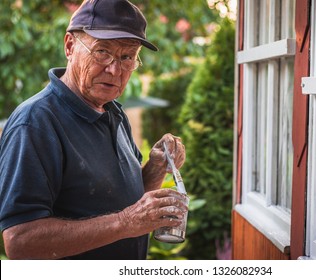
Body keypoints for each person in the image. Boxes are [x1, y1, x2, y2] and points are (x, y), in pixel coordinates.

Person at [0, 0, 187, 260]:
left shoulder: (115, 112)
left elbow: (125, 203)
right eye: (102, 52)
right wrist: (126, 221)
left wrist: (154, 170)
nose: (115, 69)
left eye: (127, 57)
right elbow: (20, 243)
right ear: (69, 46)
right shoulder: (36, 122)